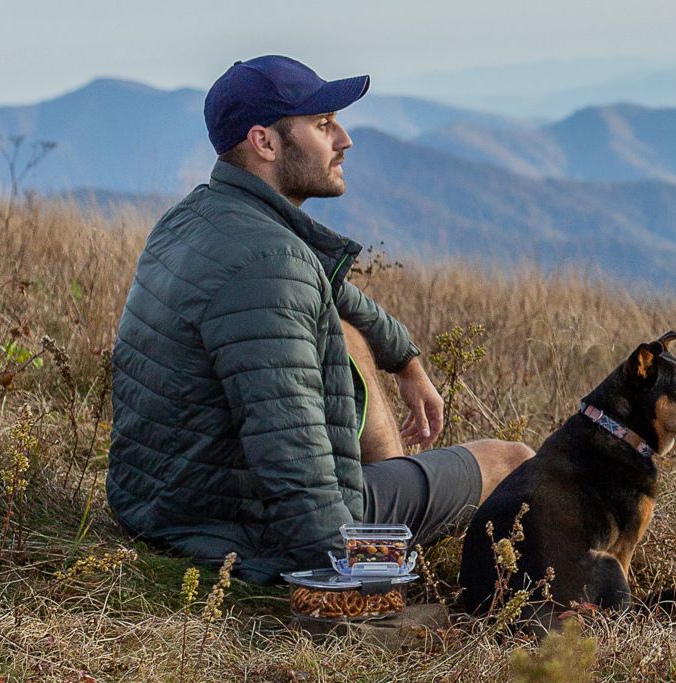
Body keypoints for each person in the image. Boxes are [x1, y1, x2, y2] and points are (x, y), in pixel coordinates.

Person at [107, 55, 533, 584]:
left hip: (165, 499)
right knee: (513, 460)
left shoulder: (197, 219)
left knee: (346, 332)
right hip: (237, 527)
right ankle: (534, 603)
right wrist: (364, 580)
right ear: (265, 142)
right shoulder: (270, 268)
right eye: (323, 124)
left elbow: (330, 290)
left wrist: (405, 359)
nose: (345, 139)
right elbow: (292, 465)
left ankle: (391, 495)